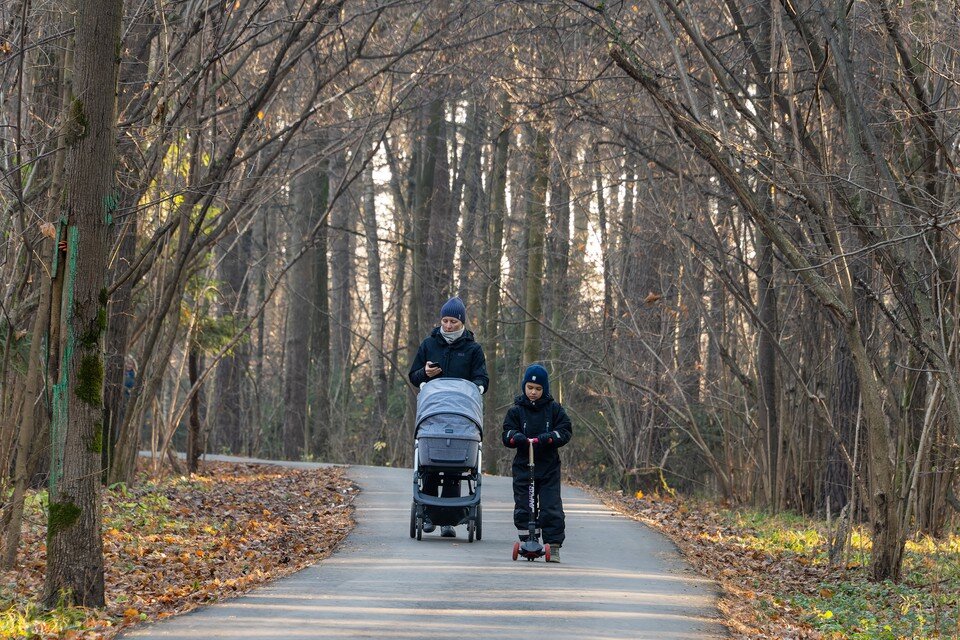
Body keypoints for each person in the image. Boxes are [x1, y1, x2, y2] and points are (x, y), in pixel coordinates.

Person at [409, 296, 489, 537]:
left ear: (461, 322)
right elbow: (414, 376)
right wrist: (425, 372)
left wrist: (477, 388)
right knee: (431, 466)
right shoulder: (429, 344)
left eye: (453, 321)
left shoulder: (472, 349)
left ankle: (448, 521)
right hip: (434, 416)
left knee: (455, 469)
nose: (448, 325)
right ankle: (430, 517)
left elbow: (482, 378)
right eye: (445, 320)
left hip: (461, 418)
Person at [501, 363, 572, 562]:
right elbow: (507, 433)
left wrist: (549, 437)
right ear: (524, 387)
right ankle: (527, 539)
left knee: (551, 506)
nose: (533, 392)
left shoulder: (554, 409)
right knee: (525, 505)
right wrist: (516, 437)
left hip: (548, 466)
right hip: (524, 465)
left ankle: (553, 545)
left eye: (538, 389)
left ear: (544, 389)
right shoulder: (516, 411)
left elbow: (565, 430)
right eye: (530, 388)